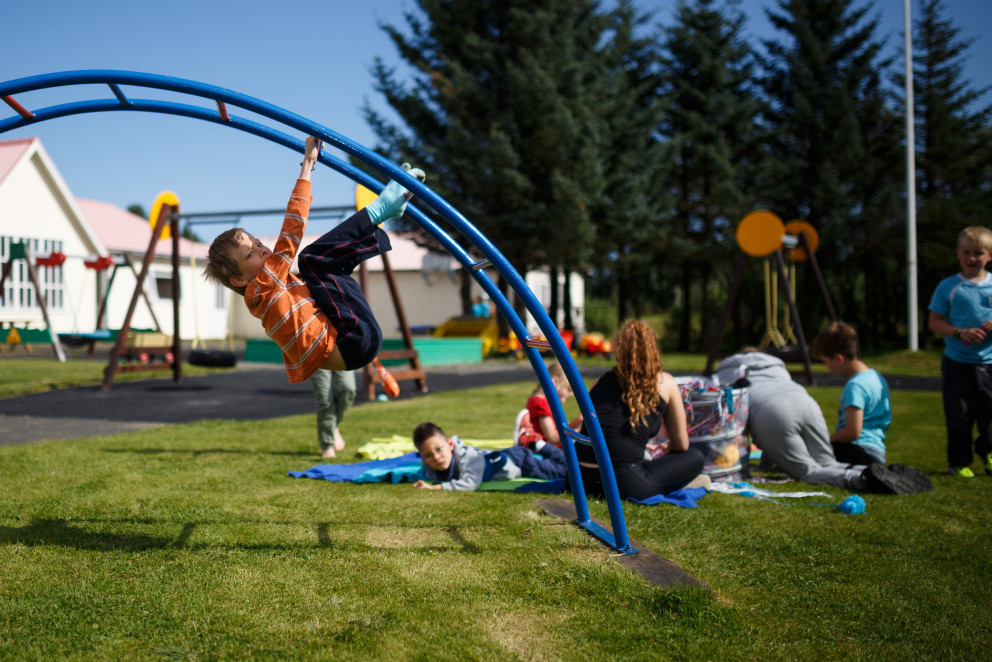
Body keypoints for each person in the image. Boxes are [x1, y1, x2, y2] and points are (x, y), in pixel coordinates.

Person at [204, 136, 425, 382]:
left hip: (356, 344)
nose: (263, 250)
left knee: (315, 267)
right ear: (238, 280)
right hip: (353, 341)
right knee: (312, 260)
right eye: (250, 254)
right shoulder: (264, 288)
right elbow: (292, 230)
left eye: (258, 243)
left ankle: (385, 211)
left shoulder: (275, 293)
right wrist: (307, 164)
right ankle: (381, 209)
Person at [716, 351, 930, 494]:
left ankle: (862, 480)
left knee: (808, 471)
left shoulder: (731, 376)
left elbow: (737, 426)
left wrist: (740, 467)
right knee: (827, 462)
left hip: (771, 412)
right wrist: (765, 464)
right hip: (806, 402)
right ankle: (870, 470)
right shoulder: (774, 367)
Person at [573, 319, 705, 500]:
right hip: (623, 484)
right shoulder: (664, 382)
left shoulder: (601, 380)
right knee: (695, 456)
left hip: (579, 479)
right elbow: (681, 444)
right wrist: (667, 448)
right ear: (653, 349)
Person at [927, 225, 992, 478]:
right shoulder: (949, 286)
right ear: (958, 254)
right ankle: (959, 462)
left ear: (989, 255)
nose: (972, 258)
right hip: (958, 362)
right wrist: (959, 332)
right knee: (960, 415)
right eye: (967, 252)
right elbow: (934, 321)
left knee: (990, 414)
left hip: (989, 362)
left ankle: (989, 454)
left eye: (978, 252)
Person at [811, 321, 890, 465]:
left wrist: (826, 440)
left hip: (857, 450)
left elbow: (852, 432)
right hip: (877, 453)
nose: (827, 367)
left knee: (808, 453)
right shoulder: (876, 377)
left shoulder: (855, 386)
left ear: (839, 358)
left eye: (826, 361)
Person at [411, 421, 567, 491]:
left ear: (450, 444)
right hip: (506, 456)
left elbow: (470, 484)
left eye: (439, 449)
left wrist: (434, 487)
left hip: (521, 463)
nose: (436, 457)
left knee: (566, 471)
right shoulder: (428, 462)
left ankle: (538, 444)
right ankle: (533, 443)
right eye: (428, 456)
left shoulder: (469, 459)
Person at [516, 363, 583, 447]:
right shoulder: (540, 403)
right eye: (569, 389)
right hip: (550, 453)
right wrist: (577, 422)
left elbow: (562, 426)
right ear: (554, 381)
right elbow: (553, 438)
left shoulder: (544, 403)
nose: (571, 394)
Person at [311, 369, 356, 459]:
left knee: (348, 389)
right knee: (325, 401)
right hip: (317, 358)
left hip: (342, 356)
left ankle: (334, 426)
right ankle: (327, 446)